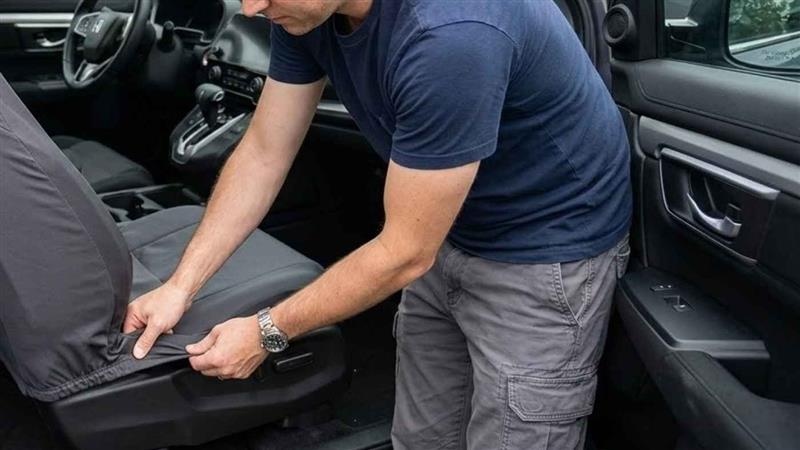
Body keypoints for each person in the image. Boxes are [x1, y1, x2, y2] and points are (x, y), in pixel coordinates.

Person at [123, 0, 632, 448]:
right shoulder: (305, 12)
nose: (251, 8)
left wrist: (266, 333)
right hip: (443, 226)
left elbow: (406, 253)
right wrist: (181, 286)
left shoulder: (450, 33)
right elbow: (264, 151)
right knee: (422, 435)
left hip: (545, 248)